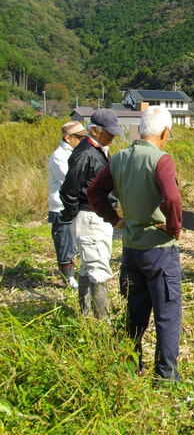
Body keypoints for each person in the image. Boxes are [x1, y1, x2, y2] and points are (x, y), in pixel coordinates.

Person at [88, 106, 183, 381]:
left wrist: (115, 219)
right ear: (164, 133)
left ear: (141, 130)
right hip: (159, 251)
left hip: (131, 249)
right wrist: (174, 227)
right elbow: (173, 199)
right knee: (167, 315)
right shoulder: (161, 159)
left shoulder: (119, 158)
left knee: (135, 313)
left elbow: (94, 191)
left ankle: (131, 368)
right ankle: (166, 377)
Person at [60, 109, 122, 319]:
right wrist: (72, 215)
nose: (112, 137)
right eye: (109, 133)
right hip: (90, 216)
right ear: (94, 130)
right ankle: (102, 320)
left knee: (88, 265)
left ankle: (86, 314)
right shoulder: (85, 153)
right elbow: (69, 190)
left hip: (98, 215)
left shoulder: (99, 149)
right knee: (98, 267)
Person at [48, 121, 88, 289]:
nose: (83, 140)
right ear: (68, 137)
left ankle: (73, 274)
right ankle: (69, 279)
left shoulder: (76, 152)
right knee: (64, 242)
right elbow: (70, 180)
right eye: (79, 137)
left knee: (74, 242)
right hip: (62, 207)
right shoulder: (59, 156)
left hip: (75, 205)